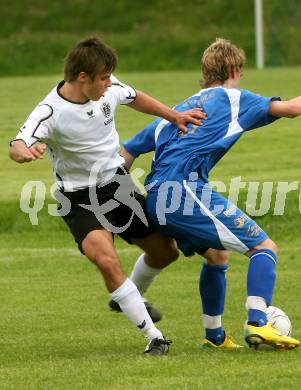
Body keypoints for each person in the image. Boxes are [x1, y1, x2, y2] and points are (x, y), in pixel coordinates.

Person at [115, 38, 301, 350]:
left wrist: (111, 196)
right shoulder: (234, 98)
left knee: (217, 255)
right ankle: (258, 322)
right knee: (264, 247)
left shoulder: (179, 108)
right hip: (183, 191)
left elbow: (128, 153)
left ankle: (215, 336)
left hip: (156, 196)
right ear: (236, 69)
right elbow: (290, 109)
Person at [8, 36, 205, 355]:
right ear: (82, 77)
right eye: (103, 78)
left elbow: (135, 96)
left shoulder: (108, 88)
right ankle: (153, 336)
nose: (109, 83)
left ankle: (127, 297)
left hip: (117, 186)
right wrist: (26, 153)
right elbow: (17, 145)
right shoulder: (50, 111)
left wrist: (174, 115)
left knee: (166, 253)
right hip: (77, 198)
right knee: (107, 260)